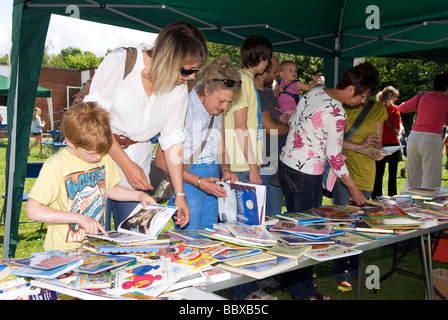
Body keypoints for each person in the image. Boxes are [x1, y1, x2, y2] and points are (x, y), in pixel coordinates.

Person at [83, 21, 208, 230]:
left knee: (135, 239)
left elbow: (173, 140)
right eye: (187, 71)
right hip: (96, 162)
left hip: (138, 165)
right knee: (94, 238)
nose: (192, 77)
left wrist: (179, 195)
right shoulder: (121, 62)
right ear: (168, 60)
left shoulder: (178, 87)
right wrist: (126, 164)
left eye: (195, 71)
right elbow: (96, 120)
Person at [278, 62, 380, 300]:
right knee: (307, 233)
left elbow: (307, 129)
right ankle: (303, 293)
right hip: (306, 174)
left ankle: (290, 283)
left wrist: (356, 146)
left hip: (287, 165)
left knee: (293, 228)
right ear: (352, 90)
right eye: (363, 96)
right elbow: (333, 156)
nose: (363, 102)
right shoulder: (338, 112)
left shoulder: (315, 91)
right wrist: (353, 188)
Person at [26, 102, 157, 252]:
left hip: (95, 247)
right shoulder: (55, 166)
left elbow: (110, 188)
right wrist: (78, 218)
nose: (97, 157)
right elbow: (33, 210)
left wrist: (139, 195)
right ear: (69, 141)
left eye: (102, 151)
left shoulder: (103, 157)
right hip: (64, 252)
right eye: (90, 153)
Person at [155, 56, 240, 230]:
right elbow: (162, 162)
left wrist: (226, 169)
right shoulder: (183, 105)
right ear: (207, 88)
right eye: (221, 101)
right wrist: (199, 182)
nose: (224, 107)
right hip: (187, 183)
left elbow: (221, 147)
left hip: (212, 184)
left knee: (209, 239)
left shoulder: (217, 111)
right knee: (187, 244)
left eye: (229, 103)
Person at [224, 34, 277, 300]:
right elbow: (242, 125)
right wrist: (254, 167)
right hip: (243, 164)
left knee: (244, 228)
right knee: (247, 230)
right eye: (268, 60)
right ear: (263, 59)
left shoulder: (235, 77)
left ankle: (249, 284)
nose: (268, 66)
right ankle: (246, 293)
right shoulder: (243, 81)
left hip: (238, 161)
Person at [332, 86, 388, 292]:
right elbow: (333, 143)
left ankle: (356, 269)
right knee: (342, 221)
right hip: (341, 169)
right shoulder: (340, 105)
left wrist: (378, 152)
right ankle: (340, 272)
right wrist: (360, 145)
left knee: (360, 224)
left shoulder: (378, 109)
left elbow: (378, 143)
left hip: (365, 171)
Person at [399, 73, 448, 189]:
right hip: (432, 139)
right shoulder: (446, 100)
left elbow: (402, 108)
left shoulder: (423, 95)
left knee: (412, 177)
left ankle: (407, 203)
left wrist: (419, 108)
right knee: (431, 179)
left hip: (414, 137)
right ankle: (428, 205)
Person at [254, 56, 289, 215]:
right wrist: (291, 126)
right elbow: (270, 127)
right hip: (262, 164)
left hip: (274, 163)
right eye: (275, 71)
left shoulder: (270, 93)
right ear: (263, 72)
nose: (276, 75)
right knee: (264, 213)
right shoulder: (256, 95)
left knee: (273, 211)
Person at [372, 86, 402, 199]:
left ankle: (376, 196)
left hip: (378, 143)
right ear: (390, 96)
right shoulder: (395, 109)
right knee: (392, 173)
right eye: (395, 97)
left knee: (378, 173)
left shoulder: (375, 108)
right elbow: (397, 128)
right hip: (392, 144)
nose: (396, 99)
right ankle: (392, 196)